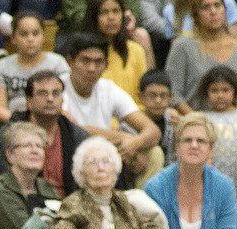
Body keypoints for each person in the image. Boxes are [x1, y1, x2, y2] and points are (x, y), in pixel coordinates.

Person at [45, 136, 170, 229]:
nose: (101, 168)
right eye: (93, 162)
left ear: (115, 169)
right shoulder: (75, 202)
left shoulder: (125, 201)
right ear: (82, 173)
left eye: (106, 161)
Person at [64, 32, 163, 166]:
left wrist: (134, 144)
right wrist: (124, 138)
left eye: (98, 62)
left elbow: (153, 131)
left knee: (153, 152)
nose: (92, 68)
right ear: (70, 62)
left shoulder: (108, 89)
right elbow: (76, 131)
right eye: (85, 61)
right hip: (71, 154)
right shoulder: (57, 88)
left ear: (106, 65)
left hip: (106, 155)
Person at [144, 114, 237, 229]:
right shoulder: (155, 188)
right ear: (177, 148)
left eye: (201, 141)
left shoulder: (224, 187)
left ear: (211, 149)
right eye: (187, 140)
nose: (194, 145)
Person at [169, 0, 237, 111]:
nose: (213, 11)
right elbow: (173, 93)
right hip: (193, 122)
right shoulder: (182, 47)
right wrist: (198, 122)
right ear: (195, 14)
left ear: (225, 10)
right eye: (205, 7)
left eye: (217, 5)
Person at [0, 122, 56, 229]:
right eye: (27, 146)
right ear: (10, 155)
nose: (35, 151)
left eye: (39, 146)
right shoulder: (0, 193)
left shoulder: (47, 187)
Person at [0, 12, 71, 124]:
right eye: (24, 34)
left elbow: (66, 103)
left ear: (43, 36)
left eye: (35, 33)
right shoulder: (2, 66)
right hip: (13, 125)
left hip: (51, 123)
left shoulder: (58, 63)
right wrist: (22, 125)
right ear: (13, 38)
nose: (30, 39)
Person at [90, 0, 151, 99]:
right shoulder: (88, 54)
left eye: (116, 11)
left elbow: (143, 95)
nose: (111, 18)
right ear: (94, 17)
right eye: (104, 12)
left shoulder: (136, 50)